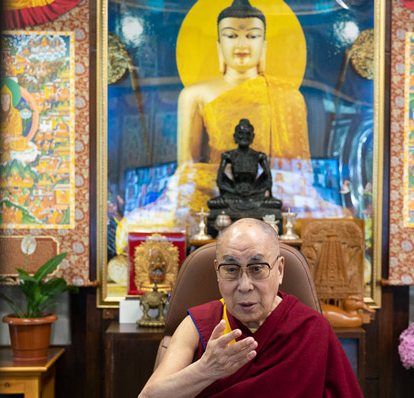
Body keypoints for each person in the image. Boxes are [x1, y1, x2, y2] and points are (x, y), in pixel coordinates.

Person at [114, 0, 350, 254]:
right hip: (213, 194)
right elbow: (189, 169)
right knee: (137, 227)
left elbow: (297, 173)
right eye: (231, 35)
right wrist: (223, 185)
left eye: (252, 35)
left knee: (342, 224)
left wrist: (268, 187)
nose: (241, 44)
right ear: (219, 44)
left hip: (274, 196)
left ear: (264, 45)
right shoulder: (195, 94)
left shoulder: (289, 96)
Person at [137, 218, 373, 398]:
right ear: (217, 272)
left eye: (257, 268)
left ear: (279, 270)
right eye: (231, 269)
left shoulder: (312, 329)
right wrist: (206, 370)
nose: (245, 286)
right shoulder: (198, 325)